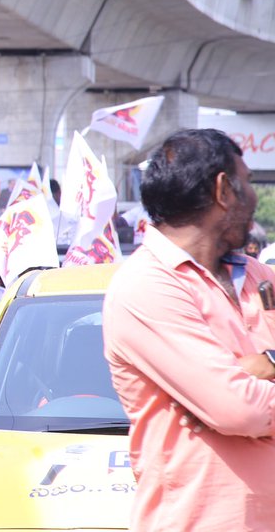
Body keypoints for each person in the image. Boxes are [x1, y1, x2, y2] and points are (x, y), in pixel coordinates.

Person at [103, 128, 275, 532]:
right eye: (247, 183)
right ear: (223, 190)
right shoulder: (146, 285)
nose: (252, 199)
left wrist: (265, 364)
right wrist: (238, 387)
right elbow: (238, 409)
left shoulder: (258, 276)